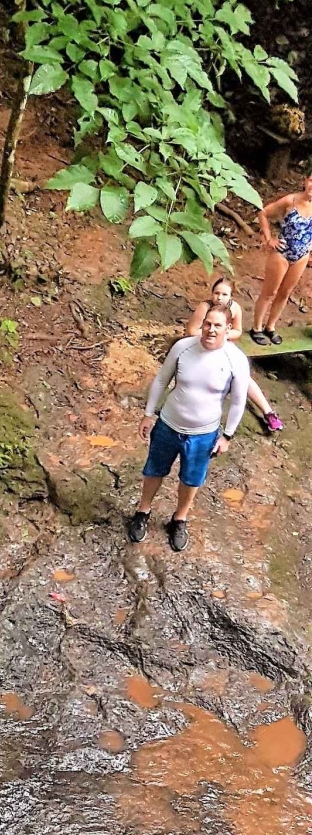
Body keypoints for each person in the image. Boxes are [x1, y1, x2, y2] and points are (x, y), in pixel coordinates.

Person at [127, 305, 248, 553]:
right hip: (169, 424)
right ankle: (143, 511)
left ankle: (179, 519)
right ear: (202, 324)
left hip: (203, 434)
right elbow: (161, 379)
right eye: (207, 324)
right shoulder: (184, 347)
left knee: (191, 479)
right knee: (154, 470)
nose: (211, 330)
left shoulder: (235, 360)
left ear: (227, 329)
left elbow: (238, 401)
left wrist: (227, 436)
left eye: (217, 326)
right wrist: (148, 414)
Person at [190, 275, 282, 432]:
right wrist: (213, 334)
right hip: (203, 346)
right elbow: (192, 331)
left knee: (243, 377)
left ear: (231, 296)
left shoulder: (235, 308)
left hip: (224, 346)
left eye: (224, 294)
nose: (219, 297)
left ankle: (268, 412)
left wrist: (223, 336)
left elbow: (237, 331)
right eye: (217, 293)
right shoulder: (205, 307)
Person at [250, 173, 312, 344]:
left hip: (301, 255)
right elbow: (263, 213)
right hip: (281, 252)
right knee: (270, 292)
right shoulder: (290, 201)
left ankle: (271, 326)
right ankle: (256, 327)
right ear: (305, 181)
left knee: (285, 293)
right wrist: (269, 238)